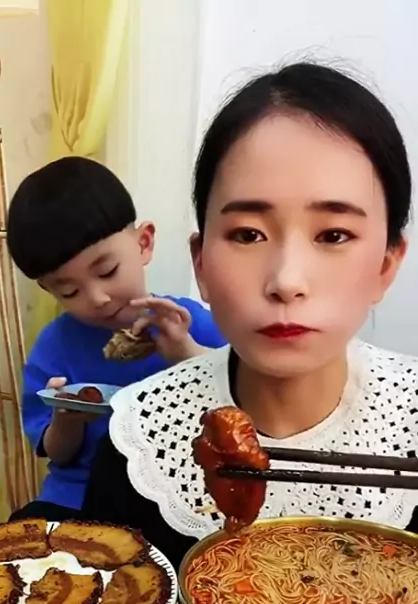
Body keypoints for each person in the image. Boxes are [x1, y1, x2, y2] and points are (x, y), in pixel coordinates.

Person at [83, 62, 418, 572]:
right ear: (201, 264)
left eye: (333, 235)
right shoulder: (139, 443)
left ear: (386, 265)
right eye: (247, 234)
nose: (286, 280)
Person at [6, 156, 225, 520]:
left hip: (173, 494)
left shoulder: (186, 323)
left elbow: (243, 400)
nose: (97, 298)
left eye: (107, 271)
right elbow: (57, 453)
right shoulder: (54, 346)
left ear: (144, 243)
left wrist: (186, 353)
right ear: (48, 289)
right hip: (75, 498)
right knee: (25, 532)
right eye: (70, 291)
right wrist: (66, 420)